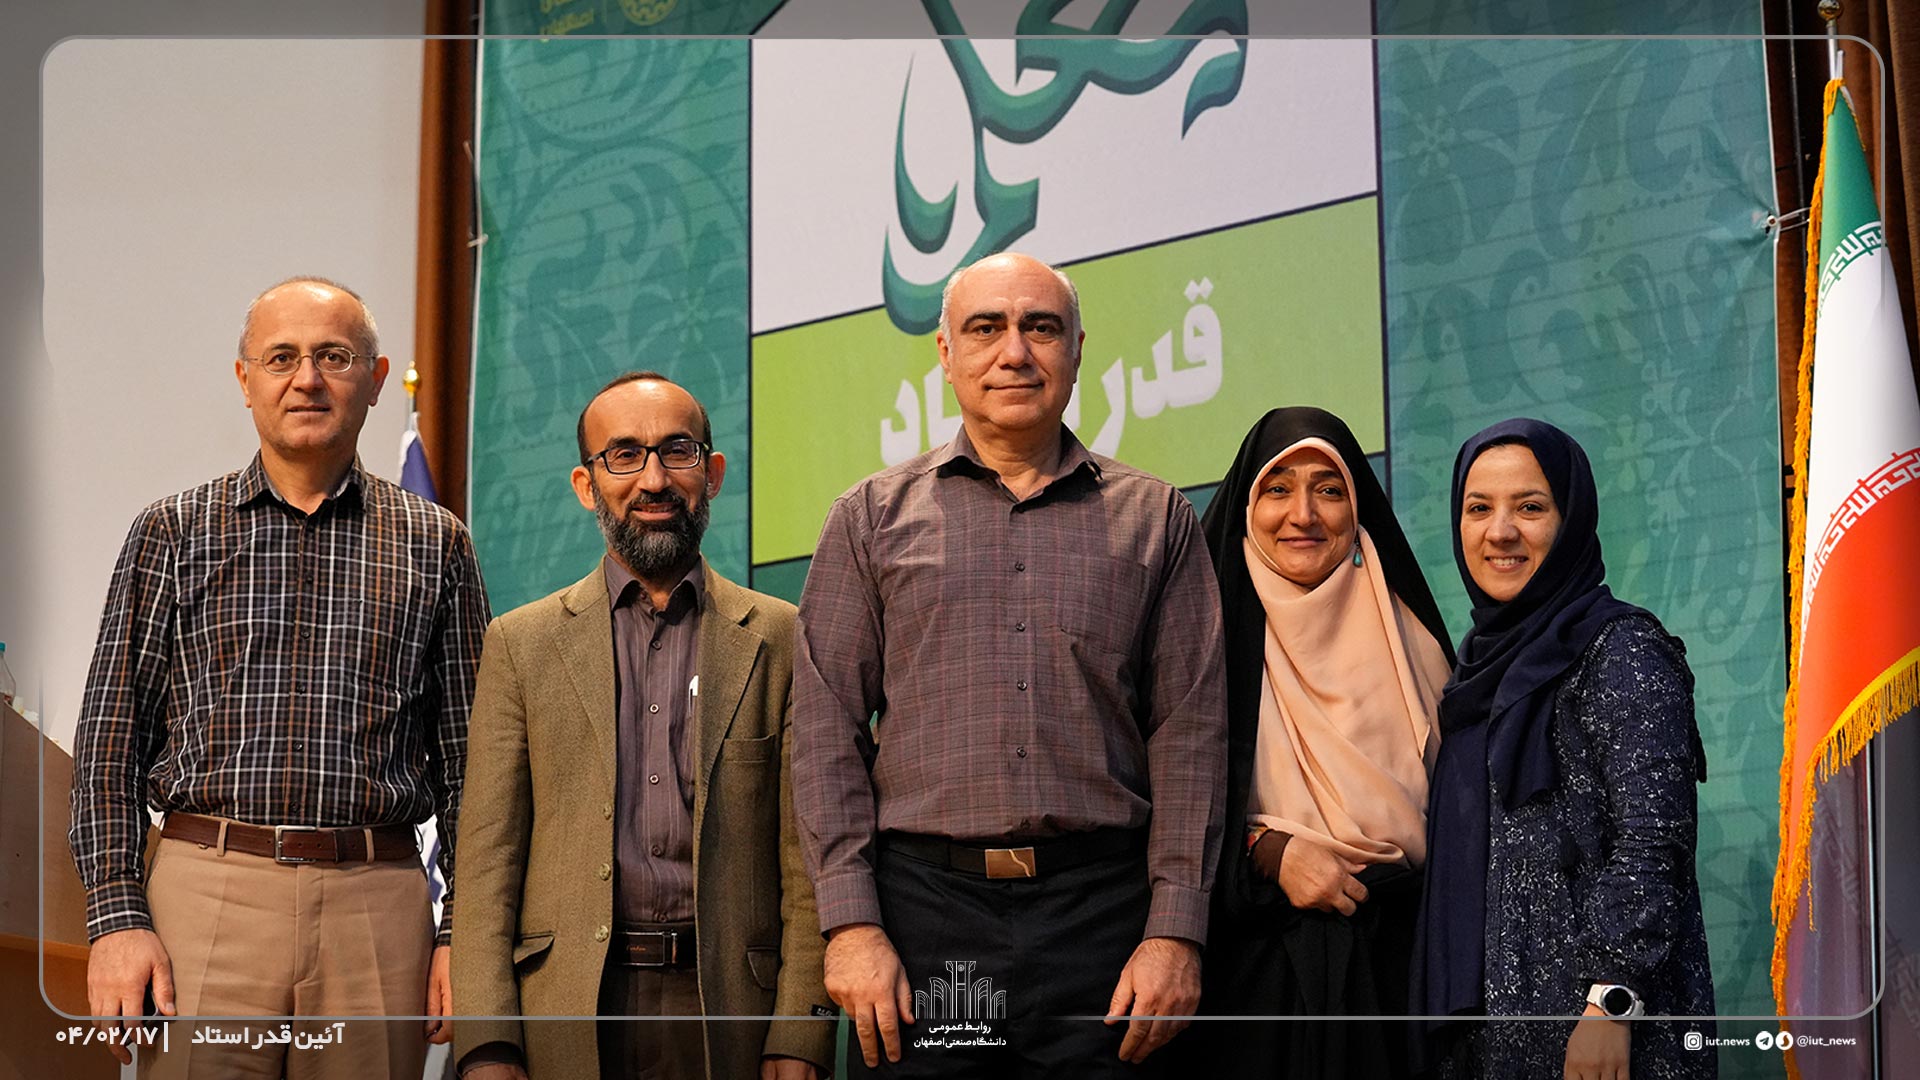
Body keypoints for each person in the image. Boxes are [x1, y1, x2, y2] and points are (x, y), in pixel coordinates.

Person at [792, 251, 1228, 1078]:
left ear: (1078, 349)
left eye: (1041, 328)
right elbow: (824, 736)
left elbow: (1191, 736)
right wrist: (851, 925)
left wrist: (1176, 931)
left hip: (1105, 923)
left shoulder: (1156, 518)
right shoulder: (868, 519)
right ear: (946, 353)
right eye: (986, 328)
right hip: (924, 925)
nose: (1015, 352)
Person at [69, 276, 490, 1078]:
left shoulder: (438, 544)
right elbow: (109, 748)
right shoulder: (171, 533)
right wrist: (116, 918)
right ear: (245, 379)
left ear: (375, 378)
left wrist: (460, 930)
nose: (307, 379)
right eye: (282, 358)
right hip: (203, 901)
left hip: (378, 907)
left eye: (334, 357)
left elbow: (475, 766)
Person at [452, 372, 835, 1080]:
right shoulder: (520, 644)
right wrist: (486, 1044)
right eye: (624, 455)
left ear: (712, 474)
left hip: (731, 1014)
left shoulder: (780, 637)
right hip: (567, 1010)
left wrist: (801, 1030)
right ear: (586, 484)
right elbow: (486, 863)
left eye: (677, 451)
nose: (654, 479)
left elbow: (806, 859)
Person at [1415, 418, 1715, 1080]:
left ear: (1571, 519)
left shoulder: (1621, 650)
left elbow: (1654, 840)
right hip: (1497, 1041)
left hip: (1605, 1035)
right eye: (1478, 508)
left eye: (1529, 507)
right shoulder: (1471, 677)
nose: (1500, 532)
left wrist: (1612, 999)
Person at [1187, 407, 1453, 1077]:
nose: (1302, 514)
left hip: (1406, 974)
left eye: (1328, 489)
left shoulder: (1414, 639)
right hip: (1258, 984)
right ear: (1248, 506)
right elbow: (1165, 811)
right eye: (1278, 489)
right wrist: (1267, 850)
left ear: (1357, 507)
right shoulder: (1200, 638)